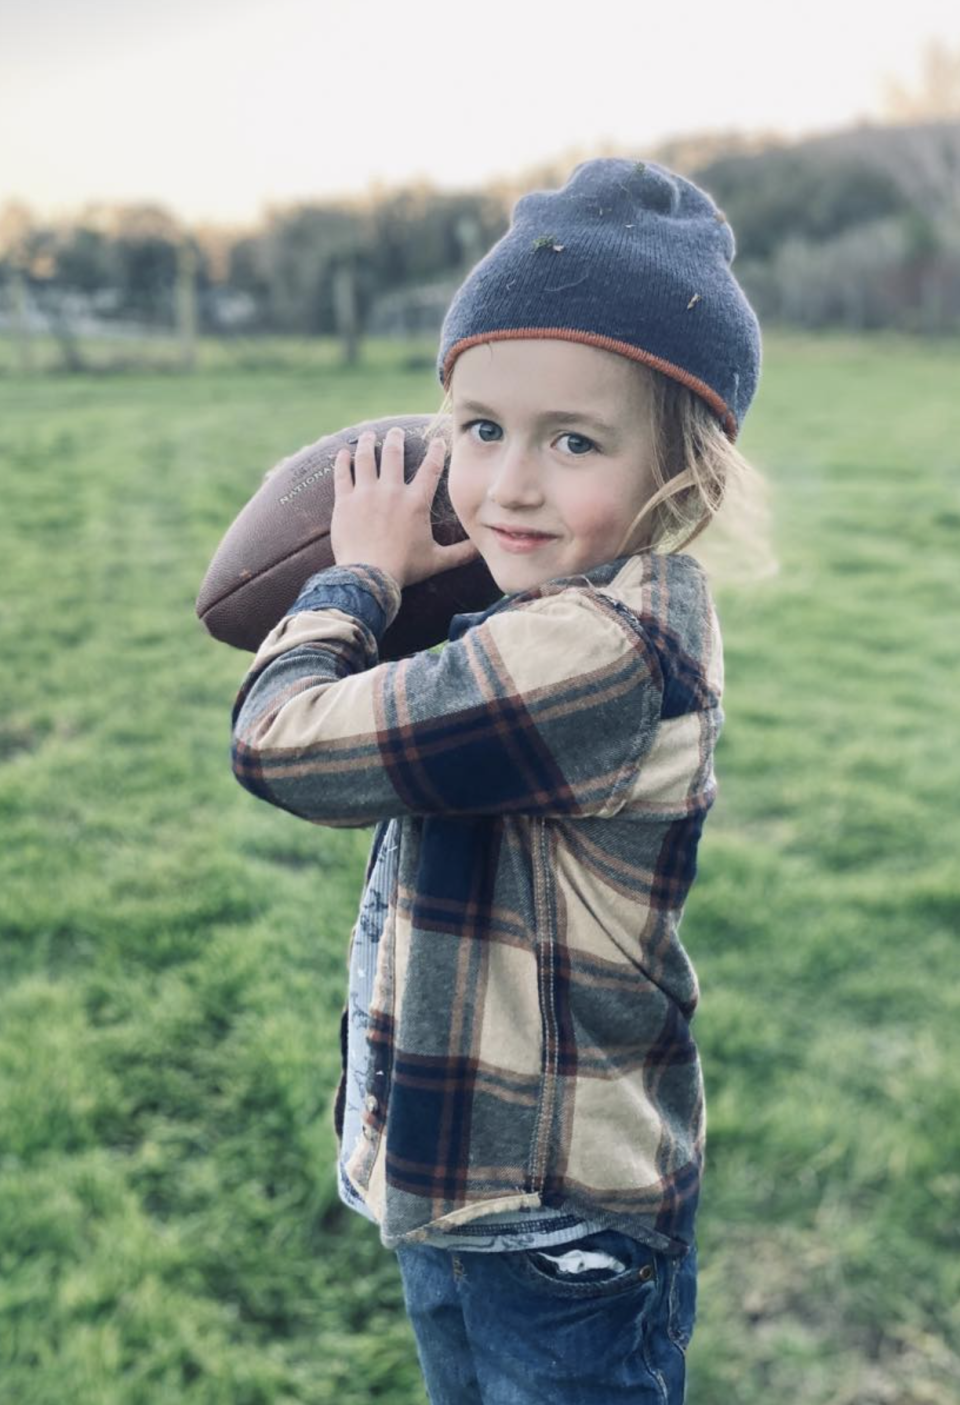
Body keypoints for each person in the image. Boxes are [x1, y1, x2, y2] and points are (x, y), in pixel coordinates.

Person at [230, 157, 766, 1404]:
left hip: (556, 1234)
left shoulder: (601, 650)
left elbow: (280, 740)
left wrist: (358, 580)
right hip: (466, 1200)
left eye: (571, 439)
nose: (509, 483)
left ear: (680, 469)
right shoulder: (544, 612)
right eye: (479, 430)